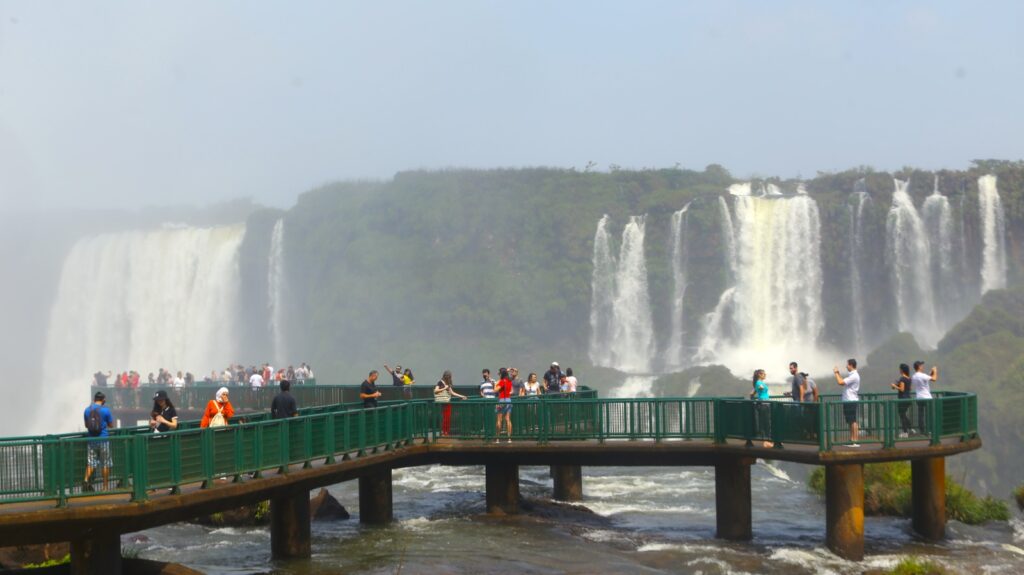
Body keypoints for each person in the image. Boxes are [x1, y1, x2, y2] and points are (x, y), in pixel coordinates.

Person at [83, 392, 115, 492]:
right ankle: (105, 487)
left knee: (91, 462)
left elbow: (86, 425)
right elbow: (111, 425)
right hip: (103, 440)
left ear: (94, 399)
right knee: (105, 463)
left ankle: (85, 480)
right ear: (103, 400)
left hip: (91, 440)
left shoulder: (87, 410)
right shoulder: (106, 410)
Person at [833, 358, 861, 447]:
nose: (846, 366)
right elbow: (843, 381)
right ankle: (852, 439)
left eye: (847, 364)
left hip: (850, 400)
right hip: (849, 400)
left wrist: (836, 373)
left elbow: (840, 382)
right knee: (850, 420)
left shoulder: (854, 376)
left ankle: (854, 441)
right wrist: (838, 374)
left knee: (852, 421)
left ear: (851, 365)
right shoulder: (852, 375)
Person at [434, 370, 467, 437]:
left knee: (447, 418)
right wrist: (444, 388)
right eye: (449, 376)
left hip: (447, 402)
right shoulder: (440, 382)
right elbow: (436, 390)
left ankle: (446, 432)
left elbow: (452, 393)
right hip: (442, 402)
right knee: (445, 418)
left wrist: (462, 396)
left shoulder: (448, 383)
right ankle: (444, 432)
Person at [912, 361, 938, 433]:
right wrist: (935, 371)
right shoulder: (922, 375)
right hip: (927, 398)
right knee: (930, 414)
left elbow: (927, 378)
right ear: (919, 367)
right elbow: (934, 379)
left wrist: (931, 373)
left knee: (921, 415)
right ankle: (931, 431)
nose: (923, 367)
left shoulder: (914, 376)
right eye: (922, 365)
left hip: (919, 397)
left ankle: (922, 431)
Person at [749, 369, 772, 448]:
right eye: (763, 373)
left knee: (767, 422)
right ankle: (765, 441)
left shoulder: (760, 383)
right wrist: (759, 388)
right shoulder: (759, 383)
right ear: (759, 375)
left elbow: (752, 393)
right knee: (765, 422)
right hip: (763, 403)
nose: (765, 374)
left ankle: (768, 440)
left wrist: (752, 397)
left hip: (765, 403)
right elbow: (759, 388)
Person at [891, 363, 913, 437]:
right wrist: (898, 385)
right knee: (903, 415)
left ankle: (905, 432)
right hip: (908, 398)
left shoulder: (902, 378)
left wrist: (895, 386)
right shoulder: (909, 378)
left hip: (902, 399)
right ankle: (911, 429)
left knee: (902, 415)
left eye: (900, 369)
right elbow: (909, 388)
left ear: (902, 370)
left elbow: (902, 389)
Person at [494, 368, 514, 443]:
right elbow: (511, 391)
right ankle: (509, 438)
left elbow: (495, 390)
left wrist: (495, 384)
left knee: (499, 419)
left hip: (502, 400)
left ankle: (497, 438)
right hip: (508, 400)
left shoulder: (501, 381)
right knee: (508, 419)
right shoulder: (509, 381)